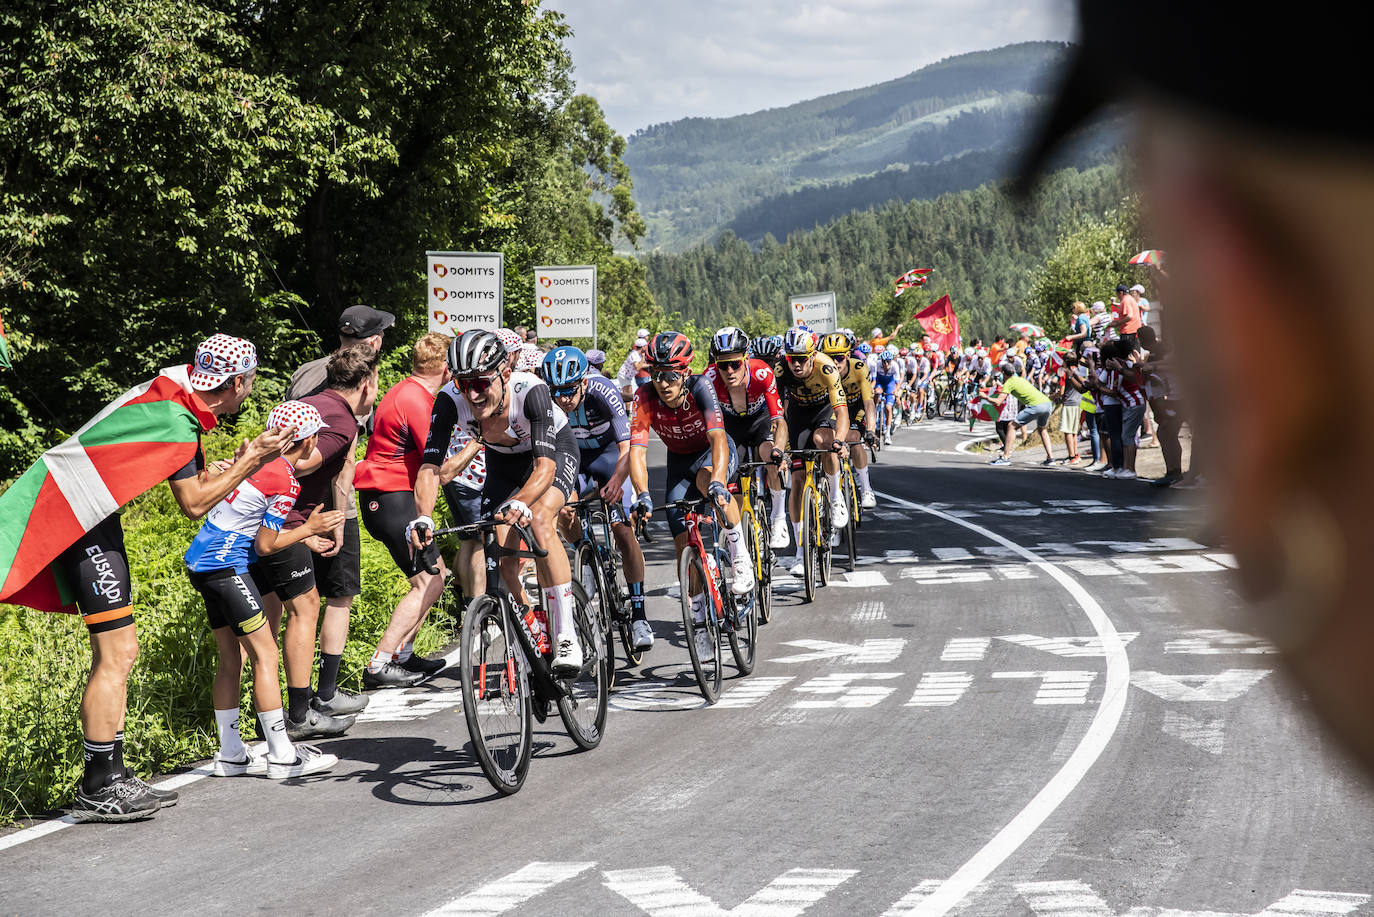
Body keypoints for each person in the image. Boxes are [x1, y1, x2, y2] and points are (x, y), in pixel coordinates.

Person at [0, 334, 296, 821]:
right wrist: (252, 461)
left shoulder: (173, 393)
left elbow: (196, 483)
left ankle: (111, 774)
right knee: (117, 653)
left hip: (88, 515)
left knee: (120, 651)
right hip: (78, 521)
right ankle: (98, 784)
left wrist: (229, 470)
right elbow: (194, 504)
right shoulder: (178, 424)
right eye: (251, 382)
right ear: (239, 382)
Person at [184, 401, 344, 779]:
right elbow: (267, 546)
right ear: (307, 442)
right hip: (225, 567)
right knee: (265, 657)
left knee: (231, 659)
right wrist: (309, 528)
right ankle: (282, 755)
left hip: (201, 563)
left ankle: (230, 754)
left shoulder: (251, 460)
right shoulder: (286, 480)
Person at [411, 331, 584, 673]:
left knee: (539, 519)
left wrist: (521, 502)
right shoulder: (448, 401)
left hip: (552, 453)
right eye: (463, 384)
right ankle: (536, 629)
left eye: (481, 382)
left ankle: (566, 634)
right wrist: (423, 518)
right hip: (503, 462)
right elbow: (430, 468)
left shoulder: (529, 392)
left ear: (504, 373)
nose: (473, 394)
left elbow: (545, 466)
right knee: (503, 558)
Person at [254, 350, 378, 737]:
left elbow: (336, 476)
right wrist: (313, 525)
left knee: (267, 621)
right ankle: (299, 714)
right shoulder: (343, 421)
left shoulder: (309, 403)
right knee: (304, 611)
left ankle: (269, 716)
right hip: (288, 519)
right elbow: (302, 463)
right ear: (366, 384)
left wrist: (336, 522)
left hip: (263, 516)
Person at [627, 332, 755, 661]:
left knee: (706, 482)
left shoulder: (701, 387)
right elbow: (637, 454)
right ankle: (699, 623)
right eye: (655, 374)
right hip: (677, 463)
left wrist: (718, 482)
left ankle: (740, 556)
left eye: (670, 375)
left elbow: (718, 441)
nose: (662, 383)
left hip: (711, 454)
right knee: (682, 542)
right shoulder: (644, 397)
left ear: (685, 372)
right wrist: (641, 494)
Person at [354, 333, 453, 689]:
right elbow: (440, 466)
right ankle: (379, 663)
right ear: (446, 368)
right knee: (426, 581)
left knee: (437, 575)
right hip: (391, 497)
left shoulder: (405, 389)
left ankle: (404, 655)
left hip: (390, 495)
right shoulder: (417, 400)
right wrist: (478, 442)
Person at [539, 345, 652, 651]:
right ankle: (585, 556)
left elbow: (628, 449)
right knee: (564, 512)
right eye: (557, 391)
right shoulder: (546, 400)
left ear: (584, 383)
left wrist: (617, 480)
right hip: (573, 458)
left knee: (623, 528)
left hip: (608, 456)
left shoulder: (603, 390)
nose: (563, 398)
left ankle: (639, 616)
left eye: (570, 391)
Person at [704, 327, 789, 548]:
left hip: (760, 422)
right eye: (723, 365)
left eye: (735, 364)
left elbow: (779, 421)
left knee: (769, 455)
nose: (729, 371)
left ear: (746, 358)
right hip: (732, 427)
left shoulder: (762, 373)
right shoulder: (709, 377)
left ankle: (779, 518)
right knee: (734, 486)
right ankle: (742, 541)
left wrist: (779, 450)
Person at [774, 327, 850, 575]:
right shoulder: (781, 370)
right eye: (791, 359)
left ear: (812, 355)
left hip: (823, 411)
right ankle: (800, 552)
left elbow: (842, 412)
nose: (795, 365)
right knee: (796, 481)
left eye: (801, 359)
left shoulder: (826, 367)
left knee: (823, 439)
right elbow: (777, 413)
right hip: (797, 416)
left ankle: (836, 497)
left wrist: (839, 440)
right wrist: (781, 447)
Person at [820, 331, 879, 508]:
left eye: (839, 357)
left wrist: (870, 430)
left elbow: (869, 402)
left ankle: (866, 489)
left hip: (856, 408)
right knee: (826, 440)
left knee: (853, 438)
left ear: (848, 355)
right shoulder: (822, 371)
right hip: (835, 409)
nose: (835, 362)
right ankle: (831, 489)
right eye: (830, 358)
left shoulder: (859, 368)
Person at [986, 361, 1055, 466]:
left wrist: (985, 397)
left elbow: (998, 402)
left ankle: (1005, 457)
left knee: (1012, 426)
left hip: (1036, 405)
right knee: (1042, 429)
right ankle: (1050, 458)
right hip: (1047, 403)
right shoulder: (1020, 379)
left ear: (1004, 373)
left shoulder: (1009, 383)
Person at [616, 335, 648, 399]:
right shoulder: (635, 355)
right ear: (643, 347)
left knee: (629, 392)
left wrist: (650, 365)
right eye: (645, 346)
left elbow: (640, 365)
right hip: (624, 376)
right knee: (628, 394)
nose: (646, 347)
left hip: (627, 376)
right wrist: (643, 358)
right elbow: (637, 367)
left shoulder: (637, 355)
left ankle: (627, 408)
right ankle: (627, 409)